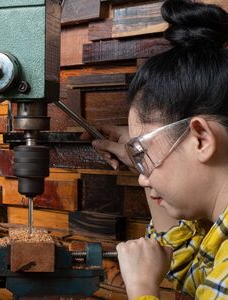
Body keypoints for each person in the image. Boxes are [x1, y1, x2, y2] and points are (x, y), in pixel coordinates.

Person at [89, 0, 228, 299]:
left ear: (201, 139)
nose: (142, 177)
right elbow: (183, 264)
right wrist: (141, 156)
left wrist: (141, 289)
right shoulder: (217, 241)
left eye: (144, 150)